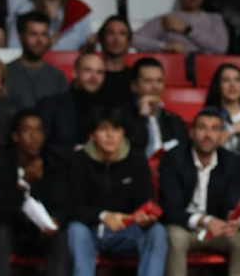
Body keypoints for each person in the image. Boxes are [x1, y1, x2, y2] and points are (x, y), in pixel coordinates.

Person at [159, 110, 240, 276]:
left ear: (221, 135)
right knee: (174, 238)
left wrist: (235, 219)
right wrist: (205, 220)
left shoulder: (231, 162)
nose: (208, 135)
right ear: (192, 133)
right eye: (202, 128)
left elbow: (232, 201)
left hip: (217, 229)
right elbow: (170, 209)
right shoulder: (173, 159)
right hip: (184, 226)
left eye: (214, 129)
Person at [65, 108, 168, 276]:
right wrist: (104, 216)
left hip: (127, 230)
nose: (110, 136)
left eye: (116, 130)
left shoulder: (137, 160)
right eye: (104, 129)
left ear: (123, 134)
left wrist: (143, 217)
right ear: (93, 135)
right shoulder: (78, 161)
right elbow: (71, 208)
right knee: (76, 230)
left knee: (157, 232)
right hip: (91, 231)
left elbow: (145, 200)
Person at [0, 110, 70, 276]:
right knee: (0, 232)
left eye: (38, 130)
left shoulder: (53, 164)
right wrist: (23, 183)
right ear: (16, 136)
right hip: (9, 230)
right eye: (27, 130)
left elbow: (62, 203)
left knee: (60, 236)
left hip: (38, 233)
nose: (34, 136)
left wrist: (56, 221)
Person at [134, 0, 228, 55]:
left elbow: (221, 47)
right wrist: (163, 46)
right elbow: (134, 39)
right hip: (174, 68)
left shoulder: (215, 19)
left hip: (207, 68)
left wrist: (187, 30)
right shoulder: (169, 19)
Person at [38, 51, 111, 150]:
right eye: (88, 70)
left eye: (99, 72)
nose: (94, 77)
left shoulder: (109, 110)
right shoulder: (50, 106)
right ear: (75, 73)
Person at [128, 57, 188, 158]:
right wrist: (142, 117)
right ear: (134, 86)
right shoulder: (123, 117)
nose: (155, 87)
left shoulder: (174, 121)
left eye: (159, 81)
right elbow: (131, 152)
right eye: (148, 81)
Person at [6, 13, 70, 107]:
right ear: (21, 37)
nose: (39, 40)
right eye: (33, 34)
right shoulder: (6, 73)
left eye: (44, 34)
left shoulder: (57, 77)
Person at [203, 63, 240, 152]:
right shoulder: (208, 114)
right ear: (218, 85)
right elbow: (206, 149)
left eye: (237, 80)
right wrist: (232, 130)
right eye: (226, 80)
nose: (233, 85)